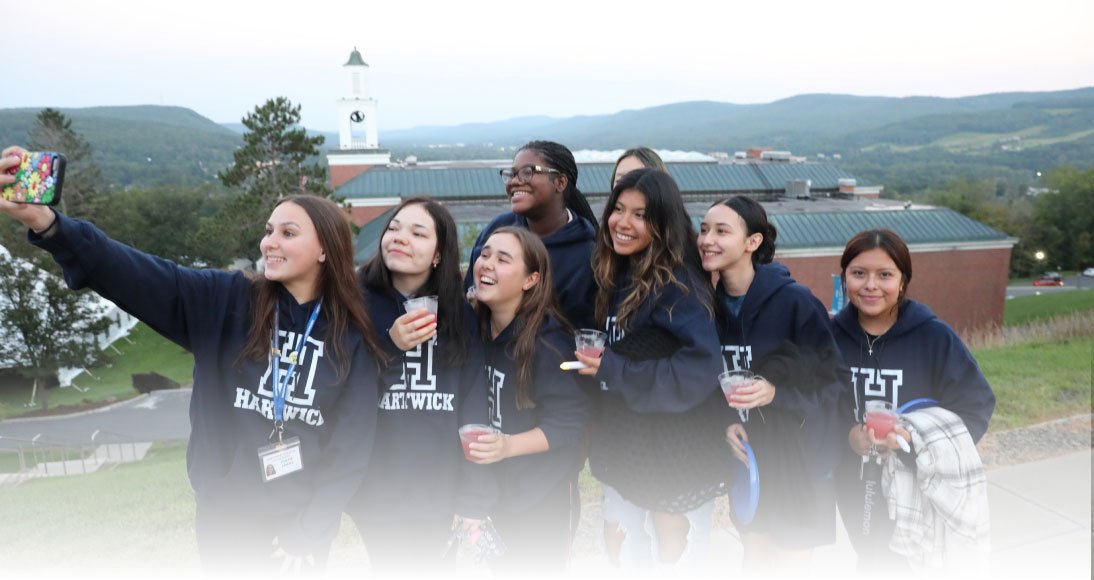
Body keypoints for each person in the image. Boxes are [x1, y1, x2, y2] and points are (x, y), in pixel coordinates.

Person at [0, 146, 383, 574]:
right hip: (225, 520)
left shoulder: (350, 334)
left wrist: (309, 532)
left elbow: (350, 451)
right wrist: (50, 226)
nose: (269, 242)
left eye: (288, 233)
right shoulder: (226, 302)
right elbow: (134, 273)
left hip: (297, 531)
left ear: (326, 250)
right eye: (269, 230)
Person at [574, 168, 728, 566]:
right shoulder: (615, 275)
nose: (623, 223)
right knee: (623, 555)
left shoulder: (677, 287)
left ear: (663, 223)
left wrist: (613, 369)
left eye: (640, 215)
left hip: (672, 454)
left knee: (672, 562)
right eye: (618, 209)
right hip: (624, 444)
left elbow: (699, 370)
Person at [831, 229, 996, 572]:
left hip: (916, 483)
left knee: (915, 565)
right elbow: (816, 407)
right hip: (853, 480)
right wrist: (849, 436)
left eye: (885, 275)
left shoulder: (934, 337)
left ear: (903, 281)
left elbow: (976, 404)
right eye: (859, 273)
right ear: (844, 276)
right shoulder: (829, 337)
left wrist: (921, 445)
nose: (870, 285)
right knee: (871, 559)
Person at [698, 196, 847, 575]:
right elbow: (705, 384)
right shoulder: (706, 308)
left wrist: (777, 394)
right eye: (703, 229)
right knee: (754, 561)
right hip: (748, 463)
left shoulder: (795, 302)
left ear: (753, 242)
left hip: (799, 464)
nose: (707, 240)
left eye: (721, 230)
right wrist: (722, 423)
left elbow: (835, 384)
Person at [349, 196, 492, 574]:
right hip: (375, 488)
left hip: (439, 488)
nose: (399, 238)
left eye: (417, 233)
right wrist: (388, 345)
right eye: (394, 228)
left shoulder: (460, 313)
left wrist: (473, 494)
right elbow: (336, 386)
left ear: (438, 254)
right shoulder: (355, 302)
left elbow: (474, 405)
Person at [466, 226, 591, 573]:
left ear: (530, 279)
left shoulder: (548, 343)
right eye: (485, 254)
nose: (487, 263)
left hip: (542, 500)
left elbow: (571, 422)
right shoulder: (477, 328)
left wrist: (506, 446)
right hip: (498, 496)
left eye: (503, 259)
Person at [599, 146, 668, 566]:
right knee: (621, 554)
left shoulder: (680, 273)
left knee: (669, 557)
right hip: (616, 436)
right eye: (619, 188)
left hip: (667, 443)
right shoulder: (607, 266)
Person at [464, 140, 598, 329]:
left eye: (528, 172)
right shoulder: (497, 229)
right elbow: (468, 295)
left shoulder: (587, 255)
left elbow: (581, 332)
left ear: (560, 182)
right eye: (512, 174)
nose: (514, 181)